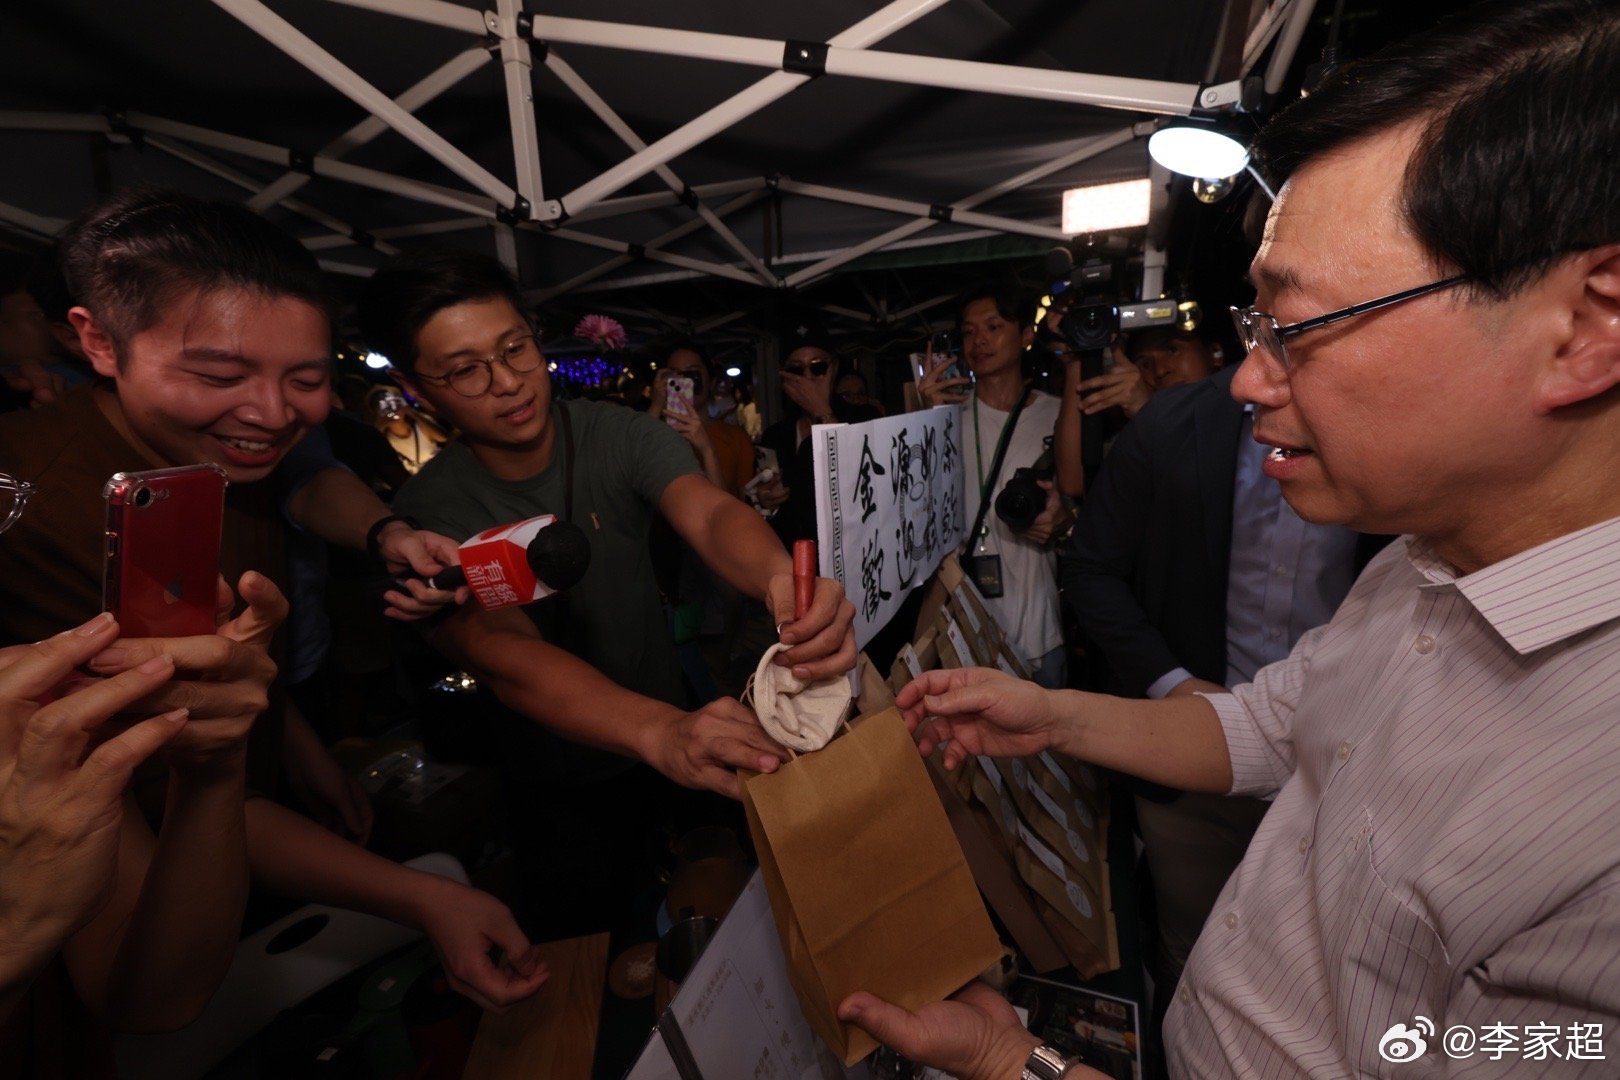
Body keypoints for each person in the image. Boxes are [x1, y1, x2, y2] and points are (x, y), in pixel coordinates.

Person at [844, 1, 1620, 1075]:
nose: (1248, 380)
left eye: (1296, 328)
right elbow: (1268, 724)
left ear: (1584, 328)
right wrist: (1052, 715)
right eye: (1257, 330)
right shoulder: (1418, 565)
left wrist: (1013, 1064)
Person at [0, 190, 549, 1021]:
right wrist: (422, 897)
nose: (272, 413)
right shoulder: (39, 523)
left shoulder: (216, 453)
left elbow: (302, 496)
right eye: (219, 375)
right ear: (98, 341)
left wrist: (291, 741)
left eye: (307, 379)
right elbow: (149, 985)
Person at [363, 253, 856, 930]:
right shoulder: (429, 514)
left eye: (515, 348)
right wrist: (663, 732)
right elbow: (505, 654)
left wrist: (779, 580)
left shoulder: (615, 433)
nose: (507, 381)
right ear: (415, 388)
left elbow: (708, 513)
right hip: (557, 780)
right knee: (592, 945)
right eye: (466, 370)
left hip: (677, 740)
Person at [1059, 358, 1380, 1058]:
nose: (1262, 367)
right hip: (1195, 768)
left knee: (1339, 977)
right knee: (1194, 953)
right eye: (1257, 326)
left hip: (1348, 762)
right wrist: (1174, 686)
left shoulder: (1394, 427)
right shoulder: (1175, 426)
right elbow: (1090, 567)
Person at [917, 283, 1074, 687]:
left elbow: (1083, 503)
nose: (979, 340)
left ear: (1026, 335)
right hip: (964, 627)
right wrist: (925, 423)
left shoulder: (1059, 414)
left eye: (993, 326)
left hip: (1038, 624)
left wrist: (1064, 519)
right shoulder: (946, 417)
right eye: (969, 332)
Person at [755, 322, 882, 547]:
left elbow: (867, 487)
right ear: (784, 377)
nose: (808, 378)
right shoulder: (774, 436)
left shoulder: (864, 417)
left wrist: (822, 412)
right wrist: (766, 502)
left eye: (818, 367)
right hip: (792, 559)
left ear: (834, 368)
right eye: (796, 370)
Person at [648, 339, 755, 497]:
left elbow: (744, 500)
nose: (684, 381)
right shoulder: (656, 432)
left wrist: (707, 450)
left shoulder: (735, 437)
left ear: (711, 382)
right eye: (674, 374)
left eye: (692, 374)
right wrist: (656, 404)